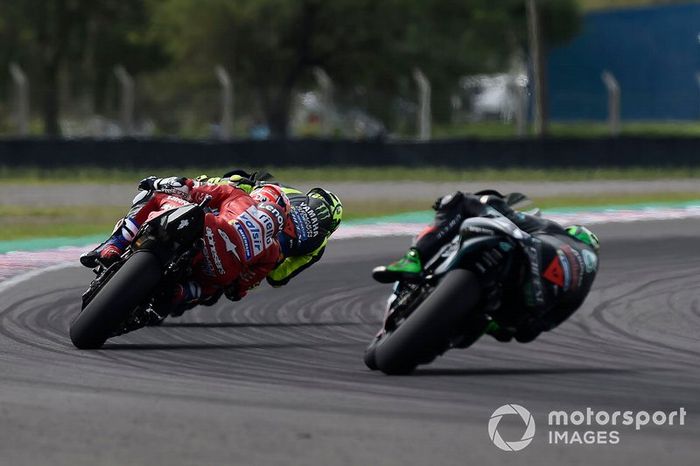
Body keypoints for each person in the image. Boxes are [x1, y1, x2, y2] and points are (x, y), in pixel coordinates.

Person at [372, 190, 600, 343]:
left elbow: (496, 208)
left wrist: (489, 201)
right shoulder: (580, 283)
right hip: (519, 314)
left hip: (520, 278)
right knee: (497, 328)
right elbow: (531, 332)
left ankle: (414, 257)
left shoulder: (548, 228)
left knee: (459, 200)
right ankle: (478, 322)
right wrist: (510, 328)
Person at [80, 176, 291, 309]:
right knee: (212, 287)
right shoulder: (273, 250)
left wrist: (159, 182)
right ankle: (178, 295)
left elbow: (192, 189)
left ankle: (113, 245)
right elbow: (239, 289)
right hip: (221, 269)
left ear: (258, 195)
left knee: (156, 195)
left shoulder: (240, 197)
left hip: (209, 231)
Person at [194, 170, 343, 287]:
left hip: (241, 219)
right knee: (237, 286)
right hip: (256, 255)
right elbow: (277, 278)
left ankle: (200, 185)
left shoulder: (295, 194)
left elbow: (257, 185)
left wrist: (226, 183)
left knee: (236, 184)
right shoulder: (318, 247)